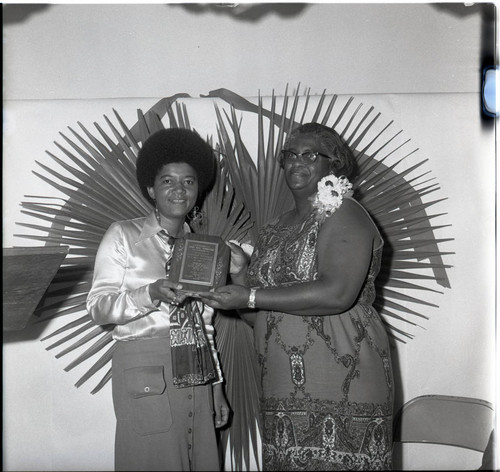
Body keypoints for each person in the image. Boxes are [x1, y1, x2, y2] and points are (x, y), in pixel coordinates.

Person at [201, 122, 394, 470]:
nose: (295, 162)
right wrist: (240, 275)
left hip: (342, 377)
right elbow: (259, 314)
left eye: (309, 155)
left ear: (332, 165)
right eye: (289, 155)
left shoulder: (344, 212)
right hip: (281, 383)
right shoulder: (274, 227)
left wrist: (250, 295)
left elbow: (337, 294)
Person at [87, 128, 230, 472]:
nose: (179, 190)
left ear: (198, 189)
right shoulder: (123, 234)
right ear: (151, 189)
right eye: (168, 181)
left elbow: (204, 324)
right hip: (144, 365)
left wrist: (217, 386)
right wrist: (149, 293)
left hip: (196, 368)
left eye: (188, 182)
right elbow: (98, 307)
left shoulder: (205, 248)